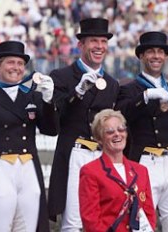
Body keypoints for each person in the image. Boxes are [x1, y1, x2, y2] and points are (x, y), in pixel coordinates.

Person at [0, 40, 57, 231]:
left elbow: (51, 130)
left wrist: (49, 102)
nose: (16, 68)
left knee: (28, 226)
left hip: (28, 169)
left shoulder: (33, 96)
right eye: (10, 62)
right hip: (0, 169)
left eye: (20, 64)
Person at [116, 31, 168, 232]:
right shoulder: (130, 90)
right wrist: (146, 96)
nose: (156, 56)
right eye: (150, 51)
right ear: (141, 56)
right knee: (141, 224)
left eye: (160, 52)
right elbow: (123, 113)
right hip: (145, 162)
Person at [48, 17, 119, 231]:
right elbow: (55, 118)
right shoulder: (61, 76)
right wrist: (76, 93)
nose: (99, 47)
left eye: (103, 42)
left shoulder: (112, 83)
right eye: (93, 41)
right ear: (81, 45)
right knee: (73, 221)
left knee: (104, 218)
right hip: (75, 153)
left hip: (101, 155)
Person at [79, 109, 156, 231]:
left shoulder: (141, 171)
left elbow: (149, 212)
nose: (117, 134)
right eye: (110, 131)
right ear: (99, 139)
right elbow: (90, 220)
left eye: (121, 129)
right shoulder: (90, 171)